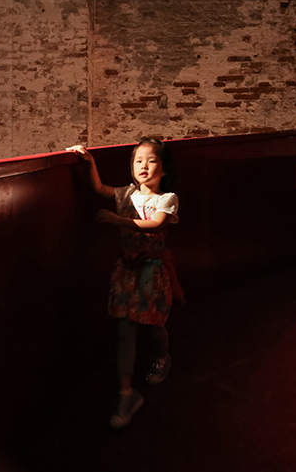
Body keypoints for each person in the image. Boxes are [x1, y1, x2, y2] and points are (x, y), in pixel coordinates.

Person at [67, 138, 183, 428]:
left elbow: (156, 224)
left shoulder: (167, 199)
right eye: (138, 160)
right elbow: (99, 188)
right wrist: (90, 161)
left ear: (164, 168)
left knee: (154, 325)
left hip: (152, 272)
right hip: (126, 271)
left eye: (151, 160)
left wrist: (119, 221)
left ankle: (162, 355)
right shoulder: (125, 194)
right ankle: (126, 393)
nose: (143, 166)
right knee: (124, 329)